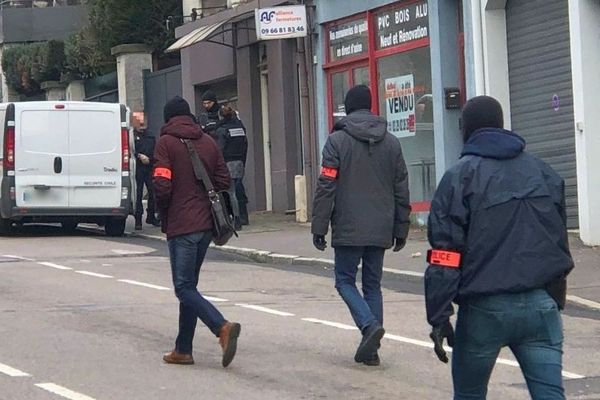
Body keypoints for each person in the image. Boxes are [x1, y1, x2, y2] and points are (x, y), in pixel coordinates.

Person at [424, 96, 573, 399]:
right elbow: (558, 241)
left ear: (466, 130)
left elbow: (445, 256)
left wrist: (439, 316)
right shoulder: (543, 172)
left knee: (470, 394)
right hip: (540, 304)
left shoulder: (459, 178)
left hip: (483, 310)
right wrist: (554, 297)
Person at [311, 85, 411, 366]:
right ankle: (372, 351)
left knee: (344, 281)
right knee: (372, 286)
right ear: (370, 106)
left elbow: (327, 184)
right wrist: (401, 227)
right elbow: (401, 187)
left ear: (347, 108)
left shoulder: (336, 141)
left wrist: (319, 226)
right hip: (381, 227)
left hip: (348, 226)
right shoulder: (392, 143)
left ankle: (368, 326)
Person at [153, 96, 241, 368]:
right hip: (205, 226)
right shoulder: (208, 141)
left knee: (183, 287)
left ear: (168, 119)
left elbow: (162, 185)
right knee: (189, 286)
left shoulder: (165, 143)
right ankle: (183, 349)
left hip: (181, 225)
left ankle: (222, 327)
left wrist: (162, 208)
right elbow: (225, 180)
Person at [215, 105, 249, 229]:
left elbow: (220, 149)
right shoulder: (240, 128)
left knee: (231, 192)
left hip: (227, 162)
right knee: (239, 189)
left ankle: (236, 219)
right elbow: (245, 145)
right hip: (240, 161)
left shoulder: (222, 130)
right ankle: (244, 216)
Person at [132, 112, 160, 230]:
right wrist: (139, 156)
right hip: (138, 167)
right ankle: (138, 219)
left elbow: (156, 150)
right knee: (138, 194)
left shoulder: (151, 136)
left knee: (152, 192)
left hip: (149, 167)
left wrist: (151, 160)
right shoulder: (131, 136)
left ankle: (151, 216)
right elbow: (130, 151)